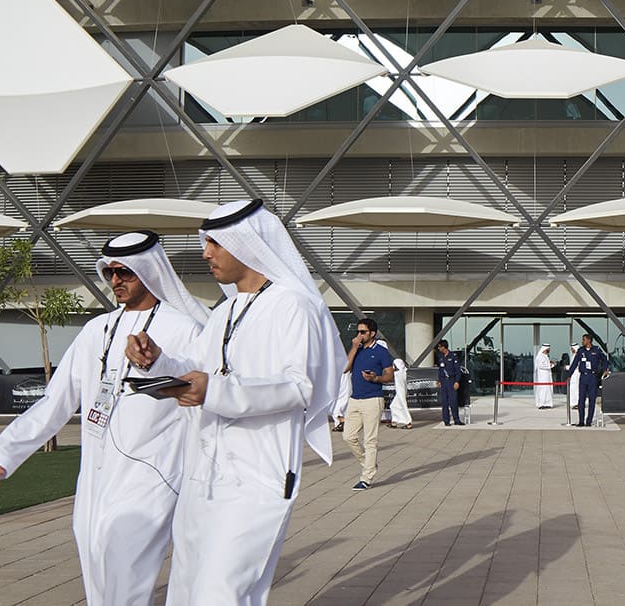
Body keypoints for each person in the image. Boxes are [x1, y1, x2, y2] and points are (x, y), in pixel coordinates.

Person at [126, 198, 340, 606]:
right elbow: (196, 367)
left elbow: (298, 388)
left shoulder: (292, 305)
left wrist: (215, 392)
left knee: (220, 596)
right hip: (202, 476)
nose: (205, 253)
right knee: (187, 593)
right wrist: (157, 360)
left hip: (258, 478)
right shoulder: (226, 311)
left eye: (215, 243)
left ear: (247, 243)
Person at [0, 230, 206, 606]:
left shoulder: (184, 328)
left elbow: (193, 380)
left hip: (153, 474)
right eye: (110, 273)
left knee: (126, 577)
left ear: (148, 271)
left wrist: (158, 362)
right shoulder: (95, 329)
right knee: (99, 573)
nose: (115, 280)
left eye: (125, 272)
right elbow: (57, 400)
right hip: (96, 476)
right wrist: (6, 451)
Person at [343, 316, 394, 490]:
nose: (360, 335)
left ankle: (366, 478)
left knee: (370, 440)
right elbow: (345, 367)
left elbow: (390, 375)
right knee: (348, 436)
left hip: (373, 399)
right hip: (355, 399)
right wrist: (354, 346)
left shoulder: (381, 351)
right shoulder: (356, 349)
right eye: (358, 331)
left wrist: (376, 378)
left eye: (363, 332)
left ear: (372, 333)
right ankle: (368, 464)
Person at [567, 332, 609, 427]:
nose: (582, 341)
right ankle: (581, 421)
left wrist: (605, 370)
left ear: (589, 340)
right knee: (581, 400)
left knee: (592, 400)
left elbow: (605, 360)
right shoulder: (581, 351)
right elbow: (574, 363)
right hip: (583, 377)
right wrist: (569, 375)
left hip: (592, 377)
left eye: (584, 340)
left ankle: (588, 421)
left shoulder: (596, 350)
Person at [436, 340, 463, 426]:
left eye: (440, 347)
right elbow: (440, 370)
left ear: (444, 347)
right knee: (444, 402)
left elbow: (458, 370)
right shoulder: (440, 357)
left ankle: (456, 419)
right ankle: (446, 420)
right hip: (444, 381)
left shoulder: (453, 356)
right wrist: (439, 380)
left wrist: (457, 381)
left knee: (453, 401)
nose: (439, 348)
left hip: (451, 381)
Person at [389, 356, 413, 429]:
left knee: (403, 406)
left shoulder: (400, 374)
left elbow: (401, 386)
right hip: (399, 393)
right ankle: (394, 422)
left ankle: (408, 422)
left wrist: (401, 395)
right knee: (393, 406)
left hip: (400, 393)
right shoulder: (400, 372)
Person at [533, 344, 554, 409]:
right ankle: (541, 403)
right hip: (542, 377)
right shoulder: (540, 356)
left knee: (548, 390)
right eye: (548, 349)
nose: (549, 350)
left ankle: (547, 403)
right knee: (543, 390)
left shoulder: (545, 356)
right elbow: (541, 366)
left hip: (547, 376)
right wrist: (550, 365)